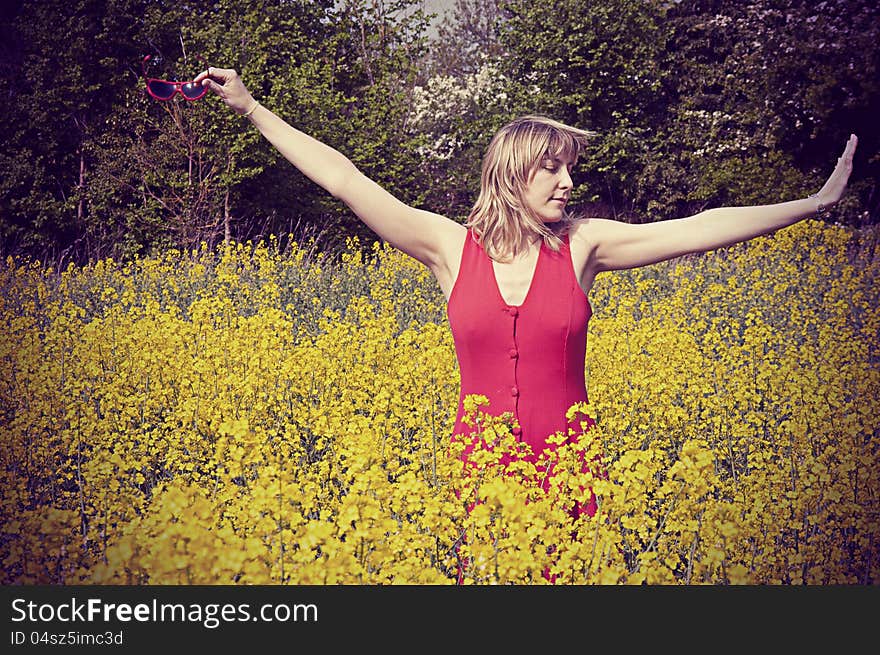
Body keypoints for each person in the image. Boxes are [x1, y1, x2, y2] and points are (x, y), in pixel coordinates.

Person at [193, 65, 858, 512]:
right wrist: (253, 109)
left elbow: (700, 227)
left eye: (570, 170)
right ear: (513, 174)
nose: (568, 183)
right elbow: (345, 179)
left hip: (572, 473)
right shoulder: (450, 248)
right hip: (480, 471)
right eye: (553, 170)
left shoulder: (586, 246)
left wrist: (813, 201)